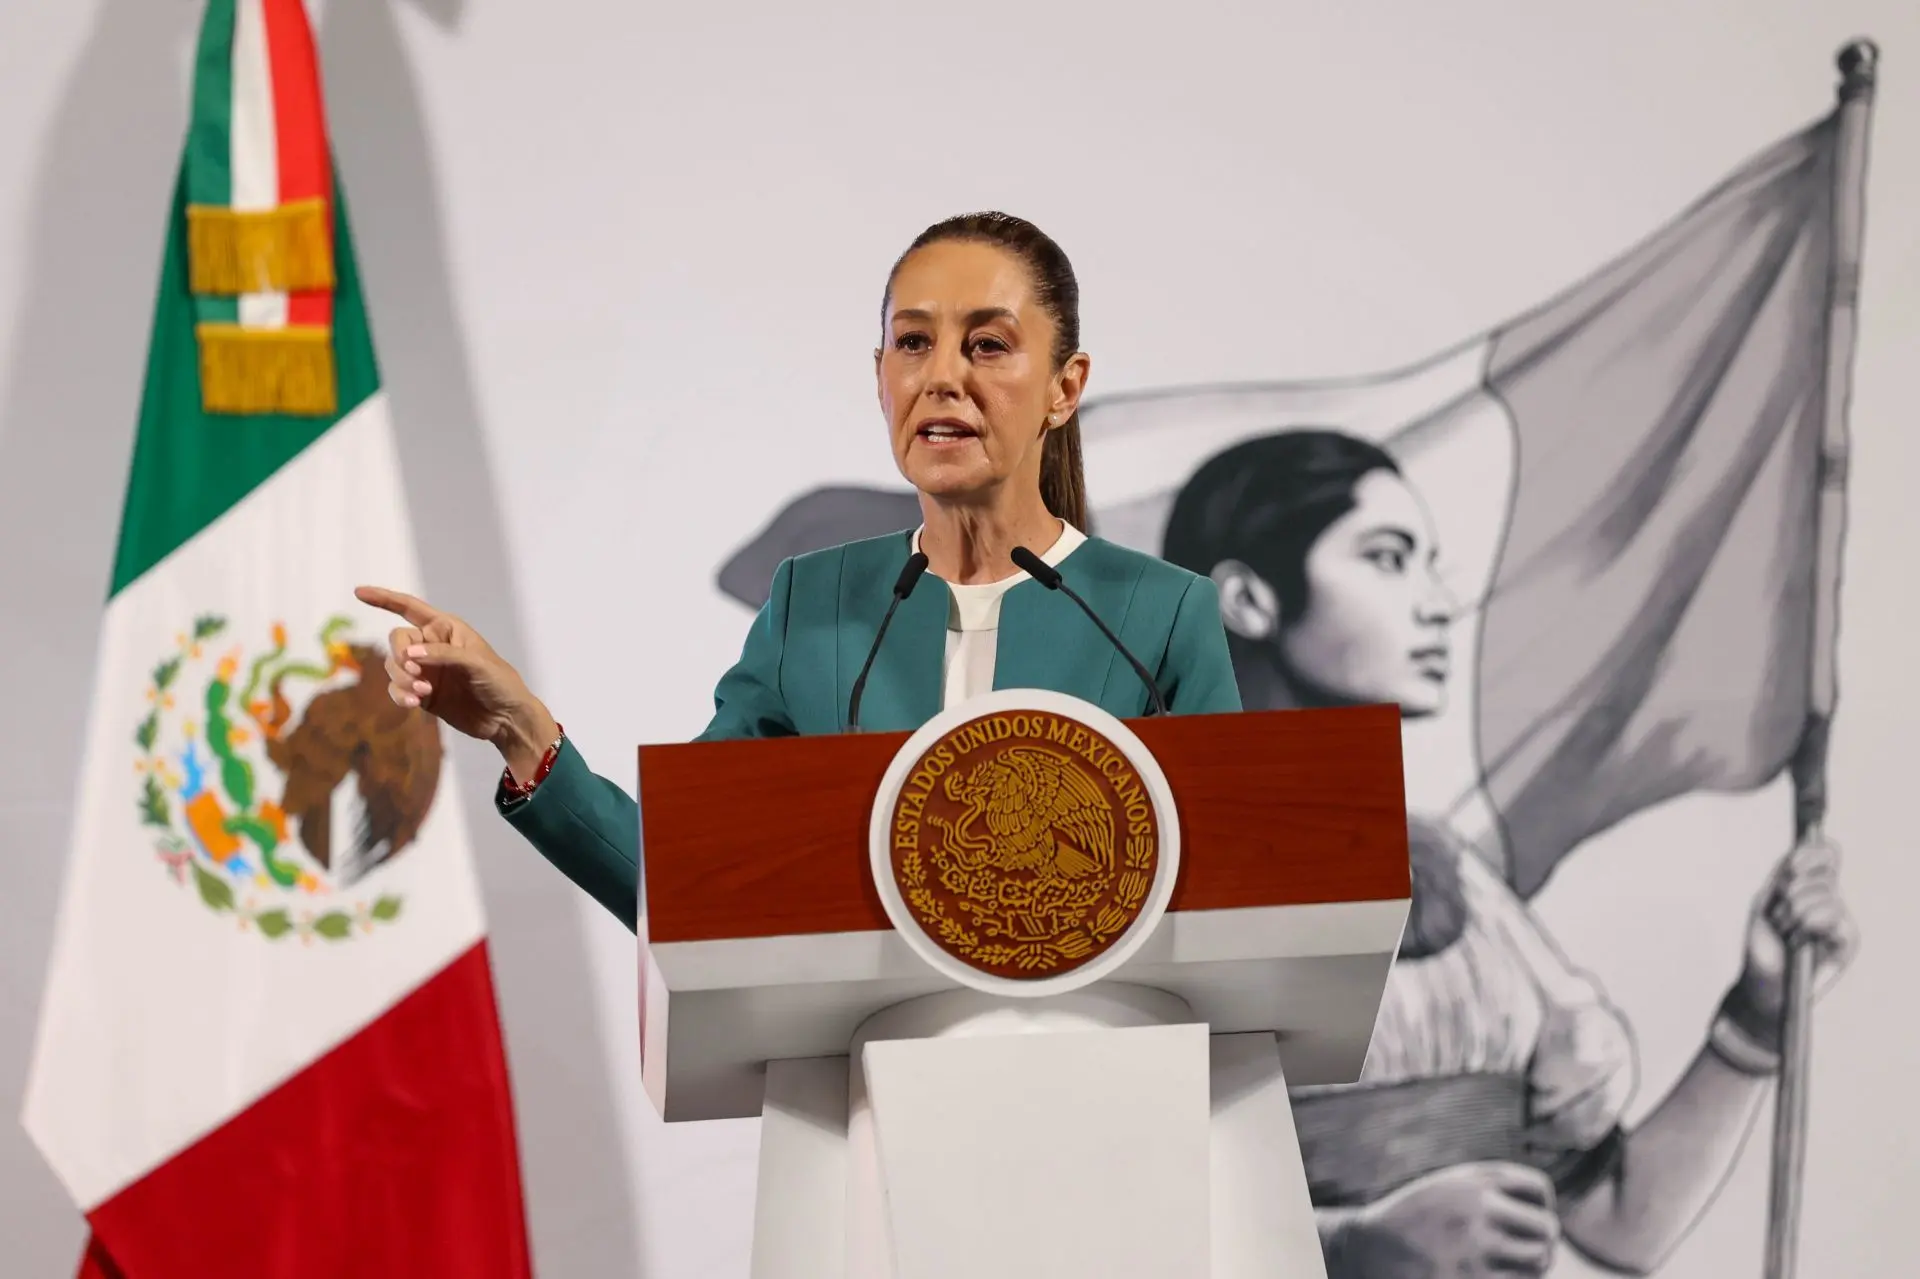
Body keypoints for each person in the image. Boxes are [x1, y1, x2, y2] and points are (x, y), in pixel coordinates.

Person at [356, 212, 1242, 931]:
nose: (941, 378)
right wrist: (521, 728)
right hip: (866, 1116)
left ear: (1065, 385)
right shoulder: (812, 610)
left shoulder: (1156, 617)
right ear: (879, 376)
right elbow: (686, 887)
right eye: (912, 343)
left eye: (987, 346)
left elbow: (1241, 906)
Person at [1162, 429, 1857, 1278]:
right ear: (1249, 600)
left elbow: (1618, 1221)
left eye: (1429, 563)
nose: (1435, 602)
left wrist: (1756, 1012)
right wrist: (1350, 1246)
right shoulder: (1146, 868)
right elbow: (1079, 1213)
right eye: (1387, 558)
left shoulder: (1447, 873)